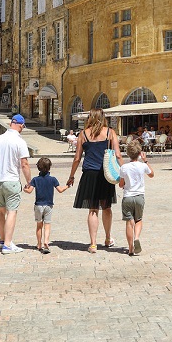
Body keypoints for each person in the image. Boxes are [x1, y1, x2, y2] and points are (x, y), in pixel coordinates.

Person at [66, 108, 121, 254]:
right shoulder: (110, 133)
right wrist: (123, 174)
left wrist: (71, 176)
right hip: (105, 173)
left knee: (93, 209)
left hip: (89, 173)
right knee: (107, 207)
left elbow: (77, 158)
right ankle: (108, 238)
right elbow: (118, 155)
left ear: (89, 118)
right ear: (103, 118)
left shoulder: (83, 134)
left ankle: (93, 244)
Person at [0, 115, 32, 254]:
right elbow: (24, 164)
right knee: (12, 212)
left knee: (0, 212)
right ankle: (8, 245)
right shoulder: (20, 141)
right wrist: (29, 182)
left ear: (11, 124)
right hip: (12, 181)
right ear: (21, 125)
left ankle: (3, 240)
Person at [118, 139, 154, 256]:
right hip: (139, 196)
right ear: (139, 153)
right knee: (138, 219)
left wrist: (123, 184)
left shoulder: (124, 167)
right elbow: (151, 174)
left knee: (129, 222)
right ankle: (137, 237)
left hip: (128, 197)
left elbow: (121, 184)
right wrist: (146, 160)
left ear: (128, 153)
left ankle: (130, 248)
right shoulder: (142, 166)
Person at [25, 156, 67, 254]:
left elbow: (29, 191)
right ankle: (46, 242)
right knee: (47, 225)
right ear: (49, 168)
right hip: (49, 205)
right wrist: (67, 186)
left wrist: (25, 189)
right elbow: (60, 190)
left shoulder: (35, 180)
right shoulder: (53, 179)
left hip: (38, 205)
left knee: (39, 225)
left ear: (38, 168)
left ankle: (39, 244)